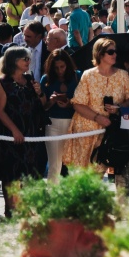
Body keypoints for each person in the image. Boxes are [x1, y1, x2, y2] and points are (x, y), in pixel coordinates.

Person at [0, 46, 48, 216]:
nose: (28, 62)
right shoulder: (4, 84)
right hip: (10, 133)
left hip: (30, 131)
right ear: (14, 61)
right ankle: (11, 208)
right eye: (25, 59)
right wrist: (15, 130)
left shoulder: (30, 80)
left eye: (29, 59)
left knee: (27, 171)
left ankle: (23, 206)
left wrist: (40, 93)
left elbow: (43, 104)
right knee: (11, 172)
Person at [63, 38, 129, 169]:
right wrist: (98, 118)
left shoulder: (123, 75)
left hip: (109, 131)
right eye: (111, 52)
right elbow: (77, 104)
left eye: (115, 51)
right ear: (100, 54)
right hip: (85, 130)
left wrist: (119, 108)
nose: (115, 54)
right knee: (82, 174)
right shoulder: (88, 75)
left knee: (99, 173)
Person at [40, 49, 80, 182]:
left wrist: (69, 103)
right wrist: (52, 101)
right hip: (53, 123)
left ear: (68, 65)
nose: (59, 70)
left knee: (73, 166)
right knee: (54, 166)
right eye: (56, 68)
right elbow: (43, 107)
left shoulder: (77, 76)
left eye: (62, 67)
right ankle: (52, 199)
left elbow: (84, 101)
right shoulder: (46, 79)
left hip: (73, 123)